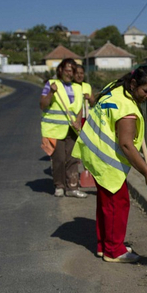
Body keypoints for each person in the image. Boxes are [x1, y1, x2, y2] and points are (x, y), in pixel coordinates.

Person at [72, 65, 147, 263]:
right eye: (145, 91)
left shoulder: (115, 88)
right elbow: (126, 145)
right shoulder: (126, 109)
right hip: (106, 159)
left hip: (93, 153)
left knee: (105, 203)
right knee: (117, 203)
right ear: (133, 84)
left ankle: (104, 245)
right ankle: (114, 250)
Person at [39, 58, 88, 198]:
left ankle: (72, 187)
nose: (69, 73)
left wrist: (78, 121)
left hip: (72, 129)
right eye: (67, 70)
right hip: (54, 129)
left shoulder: (78, 87)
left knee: (73, 158)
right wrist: (51, 93)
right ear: (60, 70)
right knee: (59, 158)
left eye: (72, 71)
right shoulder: (51, 84)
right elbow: (43, 104)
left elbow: (78, 108)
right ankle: (59, 185)